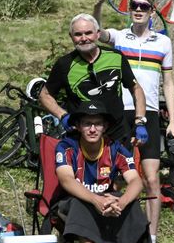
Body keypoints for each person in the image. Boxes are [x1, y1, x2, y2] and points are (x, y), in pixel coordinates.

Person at [94, 0, 174, 243]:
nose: (139, 11)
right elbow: (95, 34)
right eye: (134, 6)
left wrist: (173, 119)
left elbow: (168, 82)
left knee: (152, 179)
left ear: (153, 11)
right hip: (121, 112)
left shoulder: (163, 42)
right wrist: (99, 5)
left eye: (144, 7)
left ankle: (152, 241)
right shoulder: (120, 37)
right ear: (130, 10)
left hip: (151, 112)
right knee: (118, 177)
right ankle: (120, 238)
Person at [53, 102, 158, 243]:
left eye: (97, 124)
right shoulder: (67, 146)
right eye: (87, 123)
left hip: (108, 203)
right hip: (75, 202)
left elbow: (136, 181)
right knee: (80, 202)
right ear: (78, 126)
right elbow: (66, 180)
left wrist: (122, 201)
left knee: (132, 201)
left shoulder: (115, 147)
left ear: (105, 126)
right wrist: (95, 199)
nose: (92, 129)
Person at [40, 13, 145, 145]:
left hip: (117, 134)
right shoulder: (64, 64)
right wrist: (63, 115)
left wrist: (140, 121)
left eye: (88, 33)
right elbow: (45, 95)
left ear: (98, 34)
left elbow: (136, 88)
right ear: (71, 37)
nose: (84, 38)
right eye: (78, 34)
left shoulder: (116, 57)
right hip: (81, 136)